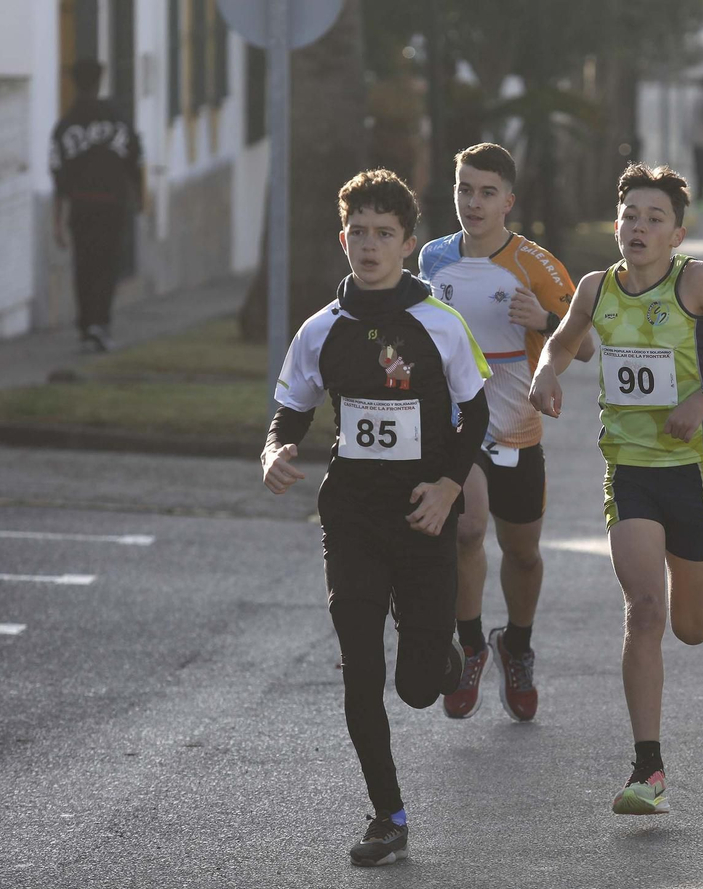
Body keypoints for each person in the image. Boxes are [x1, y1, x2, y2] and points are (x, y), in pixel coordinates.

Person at [528, 164, 703, 815]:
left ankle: (652, 758)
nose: (639, 227)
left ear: (676, 232)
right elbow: (563, 338)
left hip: (692, 474)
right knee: (644, 607)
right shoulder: (595, 286)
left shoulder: (698, 282)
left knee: (691, 627)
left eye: (653, 218)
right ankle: (649, 768)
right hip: (630, 471)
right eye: (630, 215)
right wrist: (546, 374)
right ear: (616, 224)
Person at [260, 169, 491, 867]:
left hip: (422, 516)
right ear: (343, 238)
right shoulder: (321, 330)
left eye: (383, 233)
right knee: (360, 665)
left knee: (418, 687)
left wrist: (450, 486)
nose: (368, 245)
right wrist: (274, 449)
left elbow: (476, 411)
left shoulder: (439, 324)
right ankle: (388, 815)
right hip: (353, 516)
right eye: (357, 232)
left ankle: (449, 659)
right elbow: (290, 411)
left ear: (407, 244)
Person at [419, 143, 594, 723]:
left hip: (517, 431)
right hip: (456, 431)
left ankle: (515, 644)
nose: (473, 202)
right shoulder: (432, 259)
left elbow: (586, 344)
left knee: (522, 553)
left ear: (508, 202)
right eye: (464, 189)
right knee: (467, 530)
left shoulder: (536, 266)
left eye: (487, 192)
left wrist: (543, 321)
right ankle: (470, 645)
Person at [49, 58, 143, 353]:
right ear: (100, 80)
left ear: (74, 82)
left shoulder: (66, 126)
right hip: (113, 205)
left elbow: (58, 175)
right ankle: (100, 324)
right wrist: (140, 198)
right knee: (107, 265)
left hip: (82, 207)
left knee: (84, 265)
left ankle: (87, 324)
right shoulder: (117, 119)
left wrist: (57, 222)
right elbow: (135, 161)